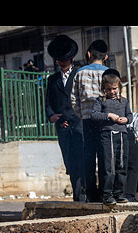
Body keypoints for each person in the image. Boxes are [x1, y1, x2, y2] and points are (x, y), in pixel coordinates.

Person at [46, 35, 85, 202]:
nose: (62, 63)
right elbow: (48, 104)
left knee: (82, 159)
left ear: (72, 58)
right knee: (69, 161)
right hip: (62, 127)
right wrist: (54, 117)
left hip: (79, 125)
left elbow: (84, 100)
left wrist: (73, 118)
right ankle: (78, 196)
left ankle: (84, 194)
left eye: (65, 60)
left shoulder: (80, 75)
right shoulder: (52, 80)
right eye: (59, 60)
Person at [71, 40, 109, 203]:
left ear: (88, 54)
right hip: (104, 120)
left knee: (88, 156)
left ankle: (91, 193)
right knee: (104, 155)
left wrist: (81, 115)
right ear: (106, 57)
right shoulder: (109, 73)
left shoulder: (80, 73)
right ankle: (104, 192)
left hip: (87, 120)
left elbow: (74, 99)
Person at [91, 69, 133, 205]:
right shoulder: (100, 101)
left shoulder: (124, 101)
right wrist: (109, 115)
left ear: (119, 87)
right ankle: (107, 194)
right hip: (107, 135)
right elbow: (94, 115)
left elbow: (130, 116)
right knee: (109, 166)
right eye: (108, 89)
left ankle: (119, 193)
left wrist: (126, 120)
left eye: (114, 89)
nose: (112, 92)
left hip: (122, 135)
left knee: (121, 164)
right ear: (104, 89)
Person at [124, 112, 138, 202]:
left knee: (123, 166)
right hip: (130, 137)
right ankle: (130, 195)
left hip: (120, 135)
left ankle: (123, 193)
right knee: (132, 167)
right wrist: (137, 135)